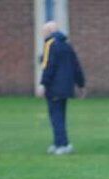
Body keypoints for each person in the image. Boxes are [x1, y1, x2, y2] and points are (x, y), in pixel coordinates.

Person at [38, 21, 86, 155]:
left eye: (43, 32)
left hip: (54, 87)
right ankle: (63, 143)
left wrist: (43, 84)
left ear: (48, 32)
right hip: (67, 87)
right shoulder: (67, 45)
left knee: (55, 117)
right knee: (61, 116)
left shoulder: (49, 44)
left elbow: (48, 66)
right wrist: (81, 84)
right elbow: (76, 65)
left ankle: (61, 145)